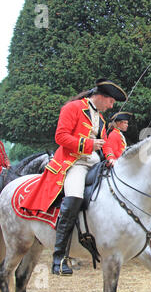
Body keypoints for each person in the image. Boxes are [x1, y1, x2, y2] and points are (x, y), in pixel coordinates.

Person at [19, 78, 127, 275]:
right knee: (75, 197)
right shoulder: (73, 108)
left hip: (96, 163)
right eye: (111, 102)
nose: (112, 106)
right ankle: (59, 257)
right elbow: (60, 136)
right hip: (75, 163)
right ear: (101, 97)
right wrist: (87, 144)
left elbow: (105, 145)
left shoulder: (101, 120)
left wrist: (110, 157)